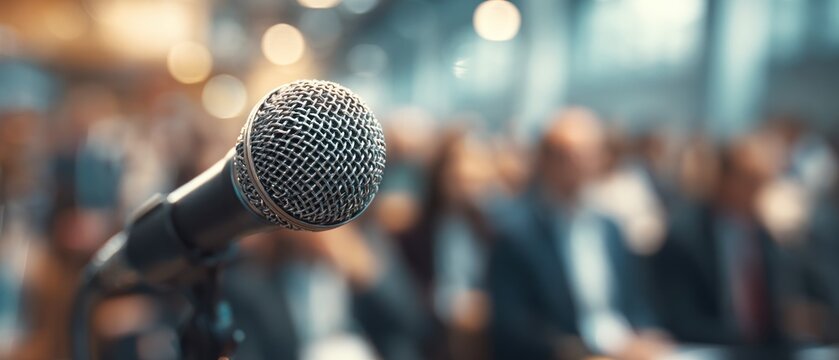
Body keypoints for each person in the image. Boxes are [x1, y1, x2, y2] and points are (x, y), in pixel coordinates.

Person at [488, 109, 670, 360]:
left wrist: (648, 332)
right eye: (567, 156)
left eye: (589, 155)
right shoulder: (516, 233)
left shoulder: (610, 227)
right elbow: (513, 328)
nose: (580, 165)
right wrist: (582, 353)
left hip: (623, 347)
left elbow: (634, 301)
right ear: (545, 161)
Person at [651, 132, 789, 349]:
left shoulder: (764, 236)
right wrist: (745, 343)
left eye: (764, 183)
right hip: (711, 347)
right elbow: (680, 319)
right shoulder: (685, 236)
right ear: (723, 179)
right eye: (751, 182)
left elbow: (780, 315)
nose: (759, 194)